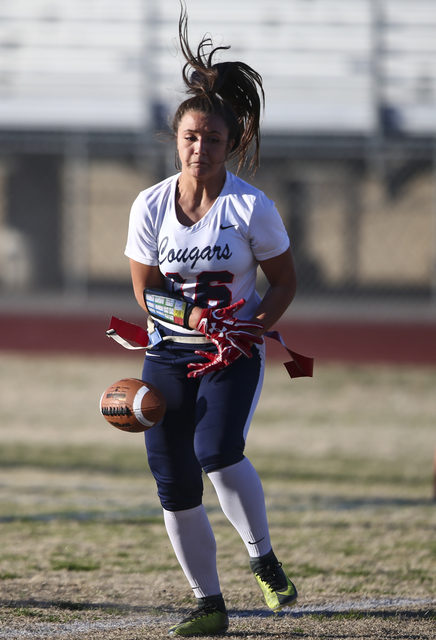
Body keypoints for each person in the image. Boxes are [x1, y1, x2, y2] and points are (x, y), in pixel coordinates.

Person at [124, 4, 298, 636]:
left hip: (229, 353)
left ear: (233, 144)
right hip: (169, 351)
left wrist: (247, 329)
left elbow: (284, 283)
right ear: (176, 139)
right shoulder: (150, 204)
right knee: (172, 479)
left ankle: (264, 559)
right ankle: (209, 605)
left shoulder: (252, 207)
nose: (200, 148)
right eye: (191, 137)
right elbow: (144, 292)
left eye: (214, 139)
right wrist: (190, 313)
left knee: (217, 451)